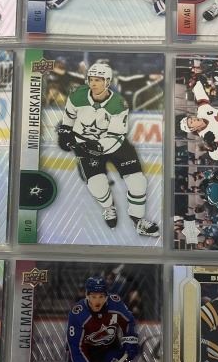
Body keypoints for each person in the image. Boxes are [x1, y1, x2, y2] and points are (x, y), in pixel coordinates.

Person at [57, 62, 159, 237]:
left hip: (115, 146)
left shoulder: (118, 104)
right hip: (85, 144)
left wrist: (95, 146)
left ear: (108, 82)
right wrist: (65, 132)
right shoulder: (77, 96)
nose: (93, 83)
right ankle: (108, 208)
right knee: (96, 185)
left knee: (138, 182)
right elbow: (69, 118)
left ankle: (138, 220)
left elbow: (116, 135)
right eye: (91, 79)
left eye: (98, 80)